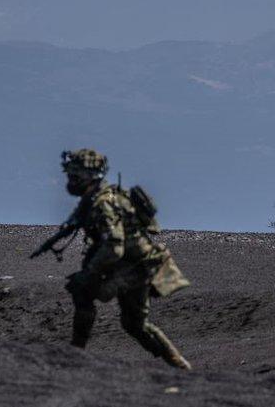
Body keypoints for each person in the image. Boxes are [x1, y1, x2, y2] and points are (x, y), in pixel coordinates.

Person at [35, 148, 192, 370]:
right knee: (135, 324)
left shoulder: (103, 203)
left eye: (76, 174)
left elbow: (114, 247)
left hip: (134, 268)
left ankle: (75, 354)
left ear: (89, 176)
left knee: (83, 290)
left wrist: (90, 272)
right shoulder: (101, 197)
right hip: (134, 264)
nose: (71, 180)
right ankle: (180, 366)